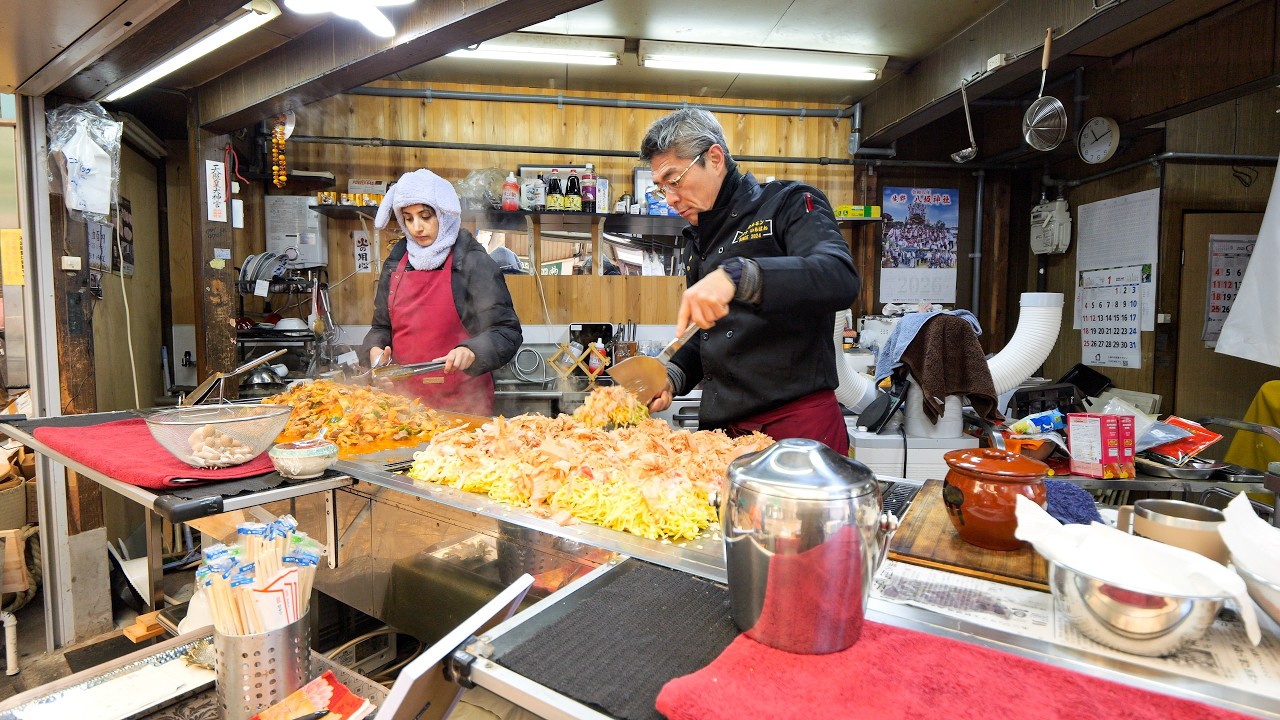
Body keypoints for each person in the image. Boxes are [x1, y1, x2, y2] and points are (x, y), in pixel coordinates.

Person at [640, 109, 860, 454]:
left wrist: (743, 276)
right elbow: (708, 334)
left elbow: (839, 276)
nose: (669, 198)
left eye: (674, 179)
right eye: (661, 188)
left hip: (796, 426)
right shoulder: (697, 240)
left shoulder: (787, 203)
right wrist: (672, 375)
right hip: (723, 432)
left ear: (714, 158)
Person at [361, 168, 522, 416]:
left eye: (426, 216)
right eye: (408, 218)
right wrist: (375, 354)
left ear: (444, 214)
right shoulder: (396, 264)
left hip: (465, 406)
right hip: (403, 407)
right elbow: (381, 328)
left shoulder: (472, 262)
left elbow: (506, 332)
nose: (417, 227)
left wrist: (472, 351)